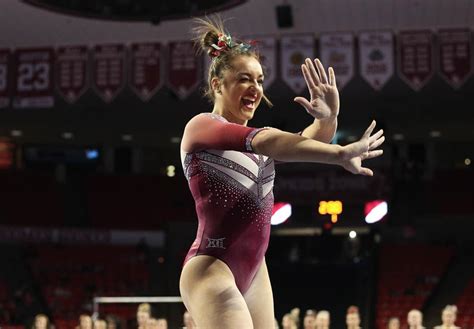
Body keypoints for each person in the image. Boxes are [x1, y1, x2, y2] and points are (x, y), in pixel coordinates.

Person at [179, 15, 385, 329]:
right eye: (244, 78)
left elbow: (302, 142)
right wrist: (340, 153)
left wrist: (328, 119)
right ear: (216, 84)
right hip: (211, 268)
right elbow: (271, 140)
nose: (255, 88)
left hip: (254, 270)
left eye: (260, 80)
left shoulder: (262, 148)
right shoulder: (202, 127)